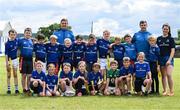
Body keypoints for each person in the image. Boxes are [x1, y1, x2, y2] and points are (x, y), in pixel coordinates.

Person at [157, 23, 175, 96]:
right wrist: (157, 62)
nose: (165, 30)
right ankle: (165, 91)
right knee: (163, 76)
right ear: (162, 29)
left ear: (169, 30)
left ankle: (171, 91)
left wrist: (169, 60)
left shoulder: (171, 39)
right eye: (164, 29)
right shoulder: (159, 38)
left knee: (169, 74)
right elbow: (156, 50)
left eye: (167, 29)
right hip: (161, 58)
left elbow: (173, 50)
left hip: (168, 58)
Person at [18, 28, 34, 95]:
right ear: (24, 33)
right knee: (24, 75)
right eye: (26, 33)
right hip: (23, 59)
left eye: (29, 33)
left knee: (29, 75)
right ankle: (24, 89)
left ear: (31, 34)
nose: (28, 34)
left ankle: (28, 88)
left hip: (30, 60)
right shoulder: (21, 40)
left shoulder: (32, 41)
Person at [5, 29, 19, 94]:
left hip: (15, 59)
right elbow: (6, 54)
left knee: (15, 74)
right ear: (9, 35)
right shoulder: (7, 43)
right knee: (8, 75)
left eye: (14, 35)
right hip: (9, 60)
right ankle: (9, 89)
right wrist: (7, 63)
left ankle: (16, 89)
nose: (12, 36)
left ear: (15, 35)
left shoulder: (17, 41)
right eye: (11, 35)